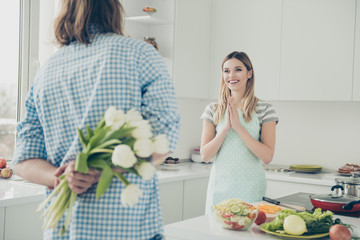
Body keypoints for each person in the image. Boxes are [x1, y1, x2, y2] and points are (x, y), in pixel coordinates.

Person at [12, 0, 180, 239]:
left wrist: (62, 177)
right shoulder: (141, 55)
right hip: (126, 229)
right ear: (113, 8)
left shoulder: (45, 72)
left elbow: (23, 159)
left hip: (62, 230)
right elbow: (163, 140)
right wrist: (103, 168)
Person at [200, 51, 278, 214]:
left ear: (249, 73)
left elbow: (267, 156)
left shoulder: (265, 109)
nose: (231, 75)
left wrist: (238, 127)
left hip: (251, 188)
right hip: (220, 187)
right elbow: (205, 156)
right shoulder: (213, 110)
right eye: (226, 70)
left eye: (238, 69)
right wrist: (225, 128)